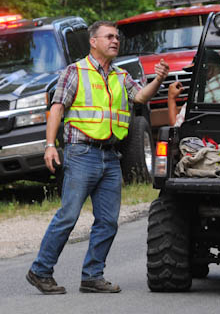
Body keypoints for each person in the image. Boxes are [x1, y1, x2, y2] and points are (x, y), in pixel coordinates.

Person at [26, 20, 170, 295]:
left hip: (110, 157)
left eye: (117, 37)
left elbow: (139, 97)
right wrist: (49, 145)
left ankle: (92, 276)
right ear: (93, 41)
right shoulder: (75, 72)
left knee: (108, 221)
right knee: (68, 216)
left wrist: (159, 79)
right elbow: (57, 109)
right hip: (81, 153)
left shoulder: (120, 75)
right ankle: (40, 270)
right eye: (109, 37)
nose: (115, 41)